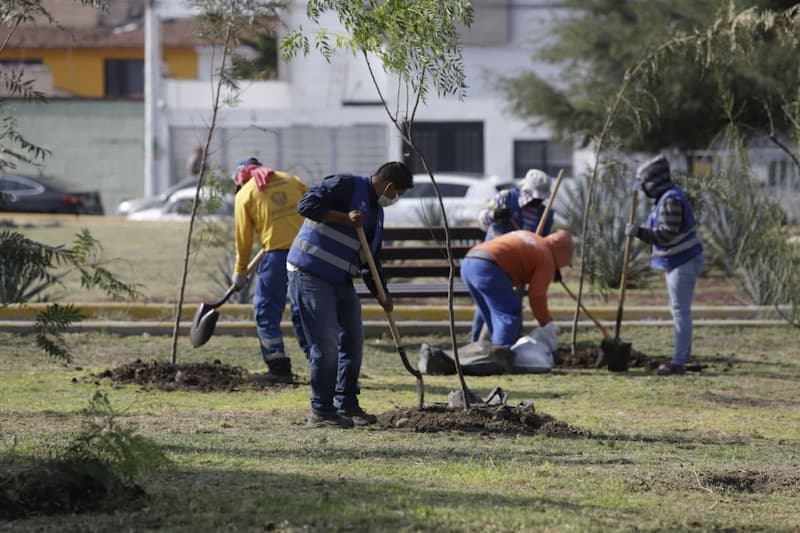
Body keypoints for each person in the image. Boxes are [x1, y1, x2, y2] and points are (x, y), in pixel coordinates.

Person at [287, 161, 414, 429]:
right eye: (397, 193)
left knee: (353, 342)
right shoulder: (345, 185)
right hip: (311, 273)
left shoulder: (377, 212)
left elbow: (370, 258)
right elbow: (306, 206)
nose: (396, 199)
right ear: (389, 186)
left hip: (341, 278)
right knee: (327, 345)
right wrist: (344, 218)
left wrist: (382, 292)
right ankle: (321, 410)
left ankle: (347, 403)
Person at [231, 157, 309, 384]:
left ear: (240, 179)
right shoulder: (291, 180)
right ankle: (321, 364)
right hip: (308, 253)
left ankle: (278, 368)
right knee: (306, 310)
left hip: (277, 258)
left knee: (266, 310)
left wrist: (240, 272)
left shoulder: (245, 194)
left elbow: (243, 241)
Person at [626, 154, 704, 376]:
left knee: (680, 312)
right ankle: (682, 356)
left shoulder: (670, 200)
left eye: (645, 185)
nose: (643, 190)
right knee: (678, 311)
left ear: (653, 182)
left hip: (684, 260)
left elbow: (666, 235)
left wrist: (639, 232)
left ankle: (678, 362)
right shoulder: (665, 198)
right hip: (677, 260)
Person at [471, 169, 556, 342]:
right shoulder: (505, 198)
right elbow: (481, 219)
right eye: (536, 197)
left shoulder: (545, 215)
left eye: (541, 198)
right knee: (486, 307)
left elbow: (544, 243)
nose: (538, 200)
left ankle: (508, 345)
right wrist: (494, 215)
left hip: (519, 269)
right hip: (493, 264)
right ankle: (476, 344)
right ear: (527, 191)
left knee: (513, 306)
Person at [460, 229, 574, 351]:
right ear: (562, 253)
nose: (561, 268)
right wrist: (546, 323)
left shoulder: (531, 237)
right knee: (509, 314)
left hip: (470, 262)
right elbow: (537, 296)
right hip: (488, 268)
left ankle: (482, 354)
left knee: (490, 315)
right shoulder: (547, 257)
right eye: (564, 264)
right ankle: (502, 357)